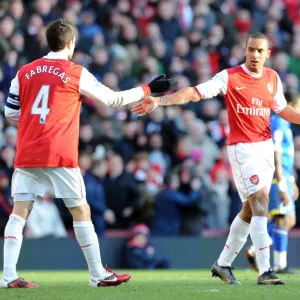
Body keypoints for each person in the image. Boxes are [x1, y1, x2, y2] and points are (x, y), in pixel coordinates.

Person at [0, 19, 176, 289]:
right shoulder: (74, 72)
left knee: (19, 212)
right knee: (80, 210)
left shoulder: (24, 72)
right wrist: (147, 89)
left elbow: (11, 113)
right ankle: (97, 274)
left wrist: (35, 125)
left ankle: (9, 275)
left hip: (27, 151)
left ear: (49, 42)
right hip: (59, 153)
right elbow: (112, 100)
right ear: (70, 44)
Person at [131, 32, 300, 285]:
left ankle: (222, 264)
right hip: (243, 150)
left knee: (248, 210)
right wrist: (159, 101)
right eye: (251, 50)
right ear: (244, 51)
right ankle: (266, 270)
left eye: (259, 51)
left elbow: (283, 109)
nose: (254, 55)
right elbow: (193, 93)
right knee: (261, 204)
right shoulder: (230, 77)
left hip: (265, 147)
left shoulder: (273, 78)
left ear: (268, 54)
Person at [244, 92, 300, 273]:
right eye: (298, 105)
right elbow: (275, 154)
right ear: (290, 105)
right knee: (285, 219)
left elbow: (284, 157)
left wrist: (291, 180)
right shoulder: (279, 123)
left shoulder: (284, 124)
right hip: (276, 179)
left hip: (283, 177)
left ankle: (269, 258)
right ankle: (275, 262)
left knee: (281, 219)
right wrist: (283, 185)